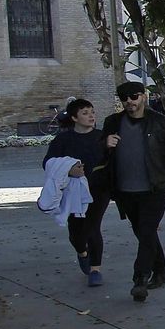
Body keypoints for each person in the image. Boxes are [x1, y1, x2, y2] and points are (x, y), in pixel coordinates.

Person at [103, 81, 165, 302]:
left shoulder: (161, 122)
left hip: (155, 187)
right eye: (124, 98)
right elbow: (102, 156)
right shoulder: (112, 123)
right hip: (125, 190)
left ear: (143, 96)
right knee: (143, 233)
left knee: (147, 230)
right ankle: (161, 272)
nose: (129, 102)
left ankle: (140, 279)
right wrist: (104, 144)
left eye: (134, 96)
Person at [43, 98, 112, 287]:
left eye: (92, 112)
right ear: (74, 118)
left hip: (99, 190)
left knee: (92, 227)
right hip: (73, 191)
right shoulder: (63, 140)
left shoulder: (103, 137)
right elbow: (48, 162)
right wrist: (68, 170)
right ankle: (82, 252)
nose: (91, 116)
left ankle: (95, 270)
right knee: (76, 232)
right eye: (85, 113)